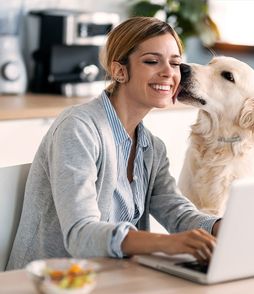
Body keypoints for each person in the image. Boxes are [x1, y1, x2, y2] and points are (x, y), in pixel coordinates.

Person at [7, 16, 221, 271]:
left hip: (112, 279)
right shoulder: (78, 128)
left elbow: (178, 213)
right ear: (120, 71)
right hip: (50, 283)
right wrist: (168, 243)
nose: (168, 72)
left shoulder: (152, 148)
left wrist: (222, 226)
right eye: (152, 61)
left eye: (175, 63)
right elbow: (80, 234)